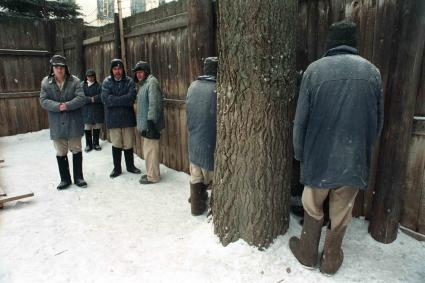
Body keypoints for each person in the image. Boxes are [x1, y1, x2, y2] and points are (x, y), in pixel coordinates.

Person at [289, 20, 384, 275]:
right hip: (353, 159)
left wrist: (299, 154)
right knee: (341, 211)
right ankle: (331, 260)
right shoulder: (372, 72)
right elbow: (377, 123)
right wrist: (361, 150)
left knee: (312, 205)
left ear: (330, 42)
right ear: (354, 43)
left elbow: (301, 121)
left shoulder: (314, 71)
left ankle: (307, 253)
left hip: (319, 158)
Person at [39, 55, 88, 190]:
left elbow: (81, 98)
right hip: (56, 123)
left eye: (62, 67)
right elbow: (43, 100)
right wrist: (57, 106)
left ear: (66, 68)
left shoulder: (75, 81)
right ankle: (65, 179)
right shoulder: (46, 83)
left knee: (76, 150)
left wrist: (67, 105)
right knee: (61, 151)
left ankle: (78, 177)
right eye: (56, 67)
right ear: (52, 68)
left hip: (73, 122)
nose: (59, 70)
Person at [186, 57, 217, 215]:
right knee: (215, 179)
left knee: (196, 176)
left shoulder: (193, 86)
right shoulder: (217, 89)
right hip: (210, 142)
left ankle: (196, 207)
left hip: (194, 140)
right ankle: (216, 212)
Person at [102, 59, 141, 178]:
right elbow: (106, 99)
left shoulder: (129, 81)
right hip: (113, 119)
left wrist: (115, 99)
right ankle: (117, 168)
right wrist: (122, 99)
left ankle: (130, 166)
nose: (117, 71)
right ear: (112, 70)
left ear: (123, 69)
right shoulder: (106, 82)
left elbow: (131, 98)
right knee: (116, 144)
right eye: (115, 69)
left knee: (129, 143)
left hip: (127, 118)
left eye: (119, 68)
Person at [133, 61, 164, 185]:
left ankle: (152, 177)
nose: (138, 75)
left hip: (151, 124)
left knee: (151, 151)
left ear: (146, 72)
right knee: (150, 151)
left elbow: (154, 104)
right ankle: (153, 172)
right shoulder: (145, 83)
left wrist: (151, 122)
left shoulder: (152, 82)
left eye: (140, 72)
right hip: (146, 125)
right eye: (137, 73)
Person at [82, 69, 104, 152]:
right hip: (86, 110)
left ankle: (96, 143)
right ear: (86, 77)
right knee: (87, 127)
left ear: (95, 77)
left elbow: (102, 96)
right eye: (89, 76)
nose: (90, 78)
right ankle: (88, 144)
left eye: (92, 76)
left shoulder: (99, 85)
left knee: (97, 126)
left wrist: (94, 98)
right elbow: (80, 97)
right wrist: (90, 99)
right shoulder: (82, 86)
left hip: (97, 109)